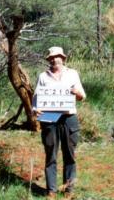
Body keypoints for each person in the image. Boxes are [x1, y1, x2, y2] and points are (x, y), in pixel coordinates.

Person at [33, 46, 86, 199]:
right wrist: (35, 110)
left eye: (57, 56)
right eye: (51, 57)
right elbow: (36, 100)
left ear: (63, 58)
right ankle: (51, 190)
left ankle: (68, 190)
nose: (54, 59)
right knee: (51, 155)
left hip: (69, 119)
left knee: (70, 155)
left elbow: (82, 96)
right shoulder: (43, 76)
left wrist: (77, 94)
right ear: (49, 60)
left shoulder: (73, 74)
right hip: (49, 119)